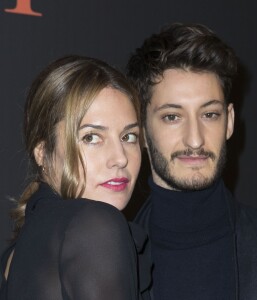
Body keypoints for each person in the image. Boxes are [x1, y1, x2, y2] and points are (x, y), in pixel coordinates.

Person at [126, 23, 257, 299]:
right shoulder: (113, 262)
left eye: (209, 115)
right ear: (142, 132)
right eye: (172, 116)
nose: (194, 140)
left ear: (229, 121)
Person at [0, 55, 151, 300]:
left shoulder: (22, 249)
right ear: (42, 151)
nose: (120, 157)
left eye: (129, 137)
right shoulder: (95, 227)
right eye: (91, 137)